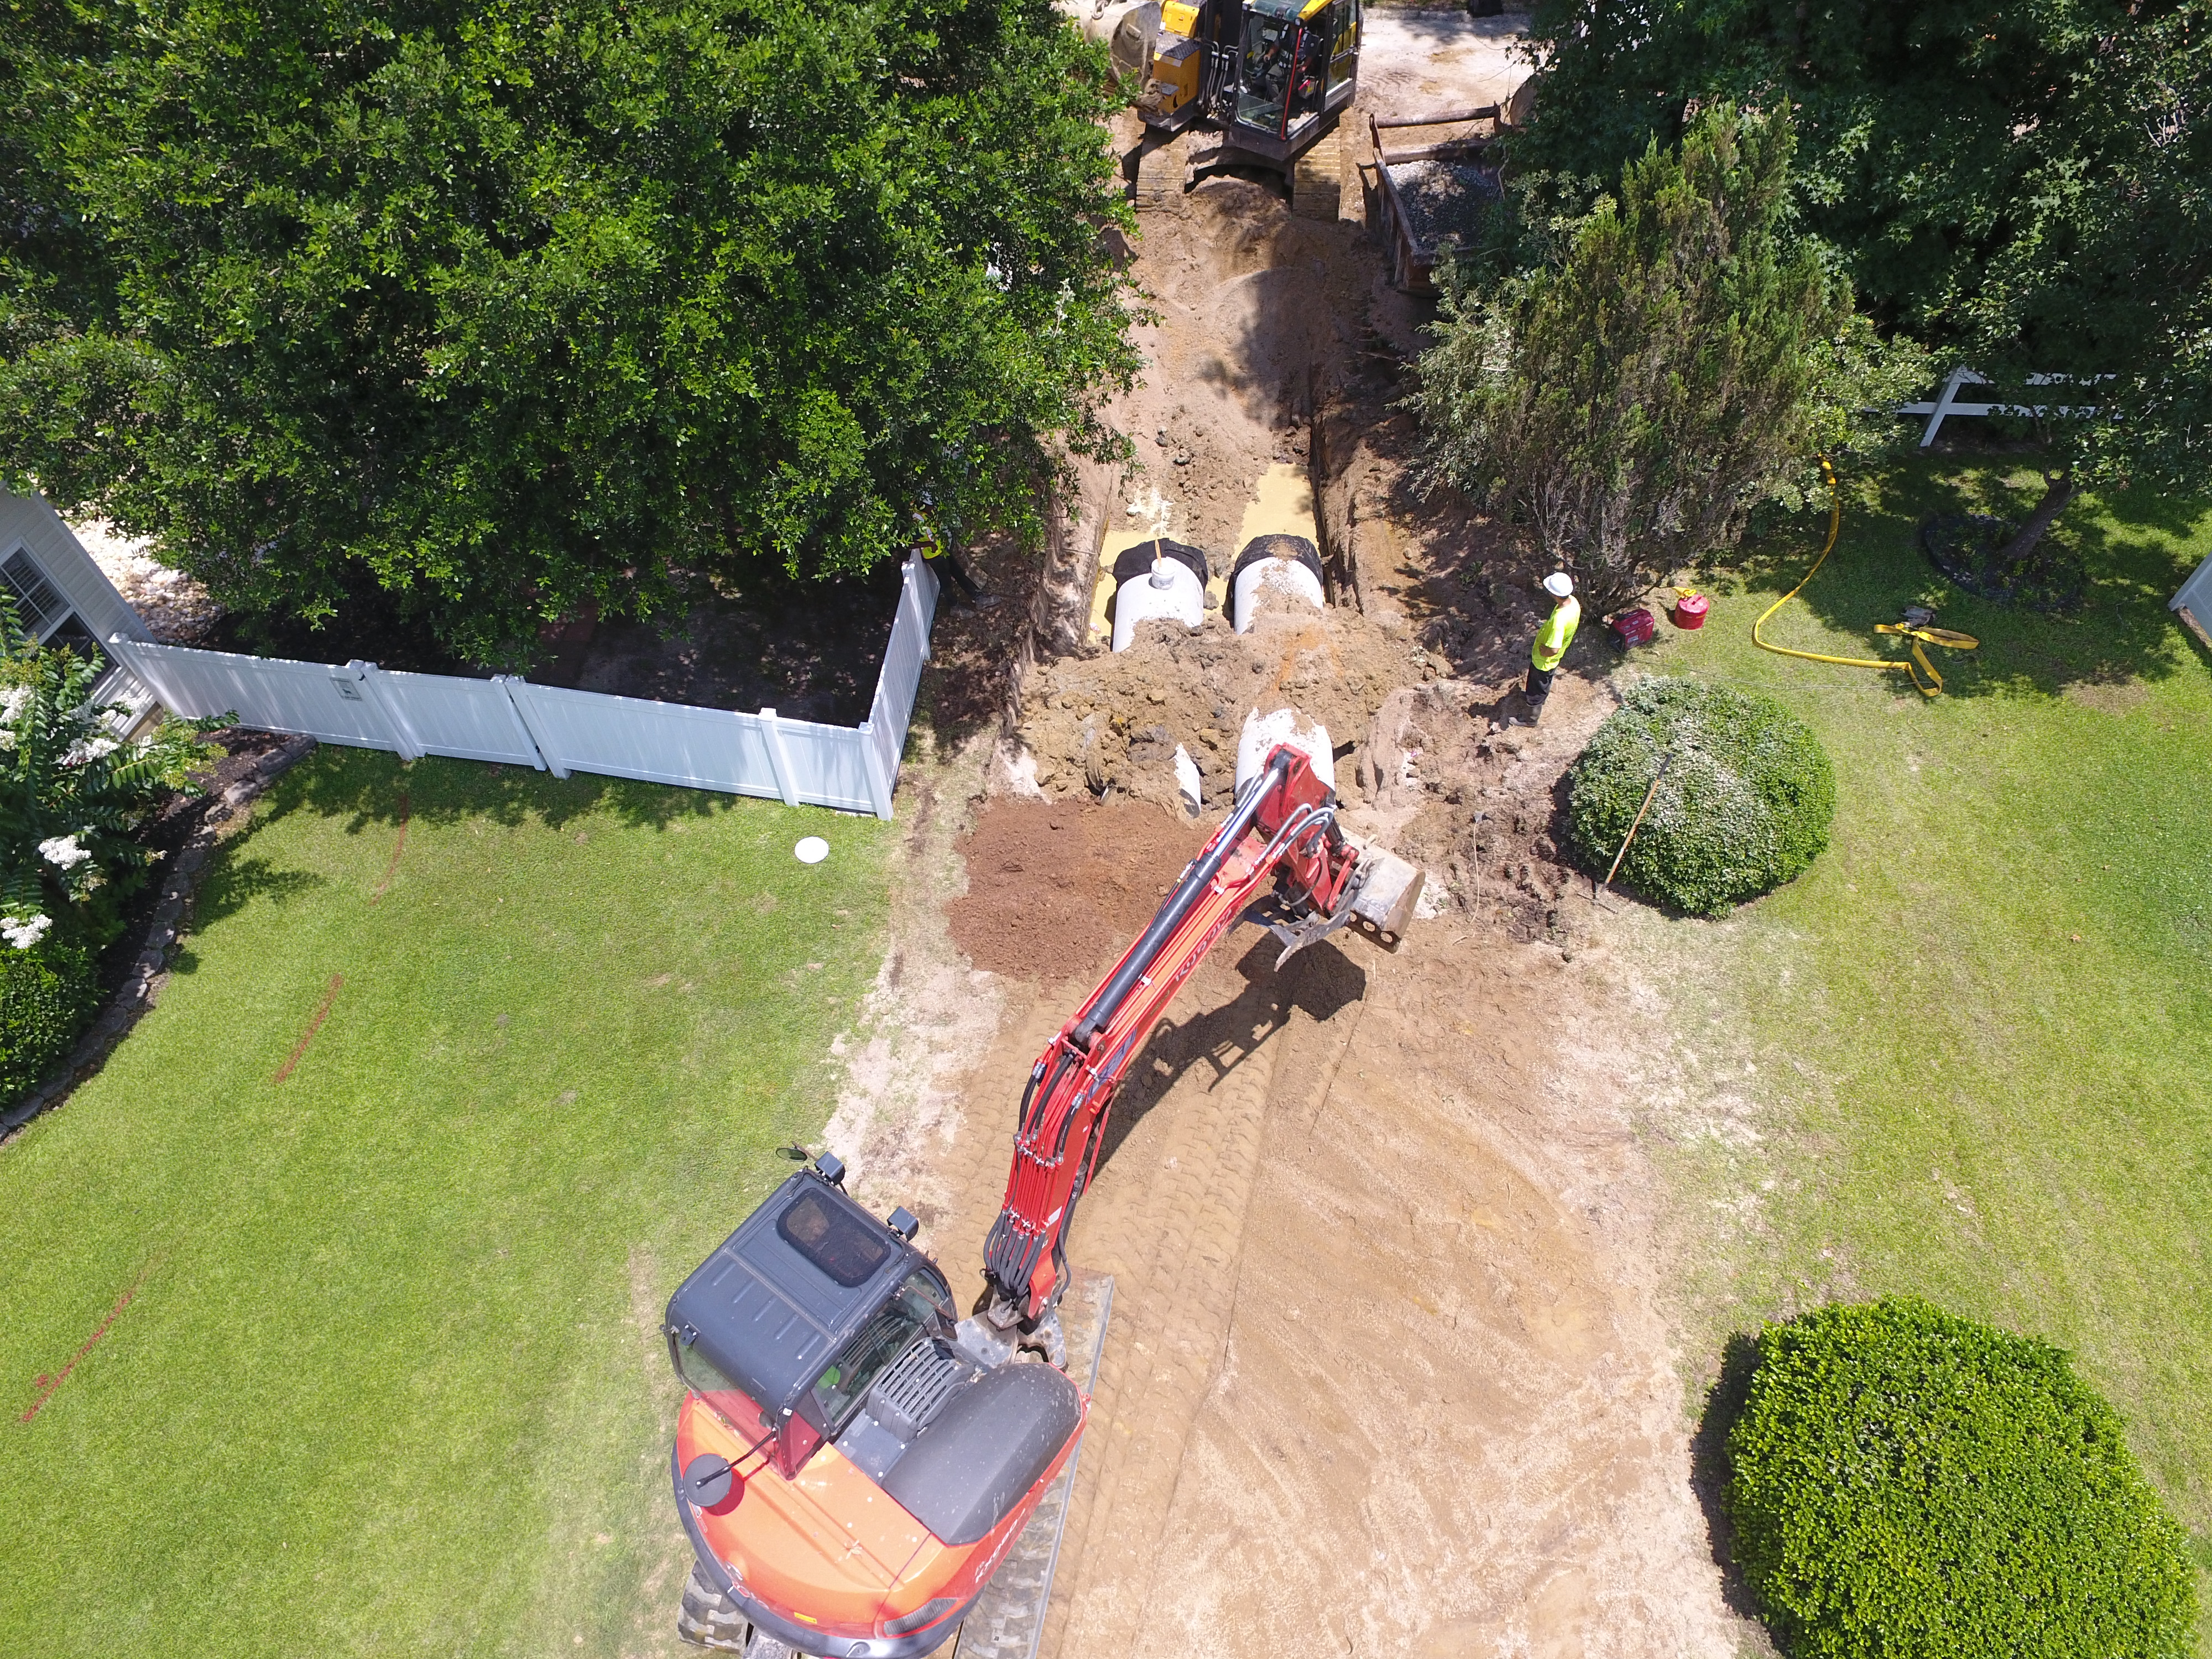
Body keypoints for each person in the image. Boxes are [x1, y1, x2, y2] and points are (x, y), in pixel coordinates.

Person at [1523, 571, 1580, 716]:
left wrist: (1544, 652)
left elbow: (1554, 649)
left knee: (1536, 687)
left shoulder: (1560, 620)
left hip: (1544, 661)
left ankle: (1531, 717)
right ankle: (1540, 700)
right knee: (1545, 683)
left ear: (1554, 594)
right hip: (1552, 661)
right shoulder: (1573, 603)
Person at [916, 515, 998, 609]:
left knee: (958, 572)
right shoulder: (914, 519)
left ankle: (978, 598)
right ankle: (954, 606)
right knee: (946, 581)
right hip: (934, 556)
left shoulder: (921, 511)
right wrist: (930, 545)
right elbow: (909, 544)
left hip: (942, 550)